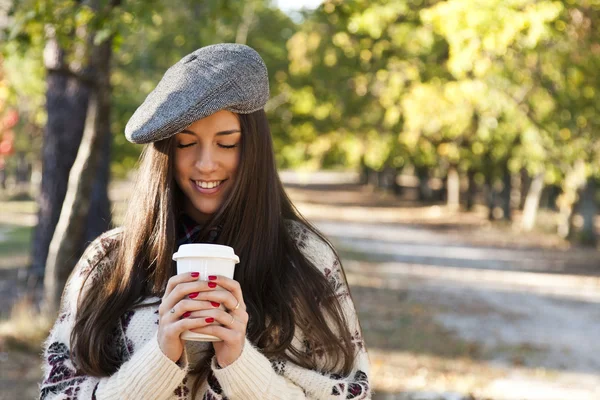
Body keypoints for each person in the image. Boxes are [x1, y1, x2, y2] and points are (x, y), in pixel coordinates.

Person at [39, 43, 371, 400]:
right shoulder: (108, 261)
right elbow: (57, 393)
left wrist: (240, 364)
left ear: (254, 149)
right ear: (165, 151)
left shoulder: (305, 258)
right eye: (186, 144)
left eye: (227, 144)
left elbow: (352, 392)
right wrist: (159, 359)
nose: (206, 164)